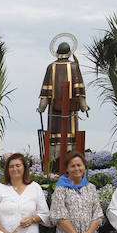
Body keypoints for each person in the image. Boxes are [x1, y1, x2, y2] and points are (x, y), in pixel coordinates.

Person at [37, 41, 88, 171]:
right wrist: (84, 107)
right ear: (69, 52)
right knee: (70, 138)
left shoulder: (51, 67)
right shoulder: (73, 66)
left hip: (54, 113)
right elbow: (80, 91)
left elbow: (45, 94)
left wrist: (41, 108)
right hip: (70, 113)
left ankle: (52, 170)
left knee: (55, 138)